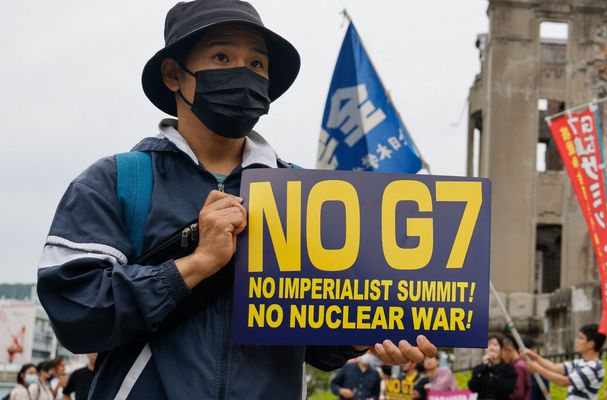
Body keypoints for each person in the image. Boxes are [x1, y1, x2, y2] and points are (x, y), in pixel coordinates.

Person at [33, 1, 432, 398]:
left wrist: (364, 337)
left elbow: (314, 338)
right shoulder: (116, 181)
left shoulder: (304, 193)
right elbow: (77, 312)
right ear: (174, 74)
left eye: (257, 64)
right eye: (222, 56)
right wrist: (195, 263)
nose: (243, 72)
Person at [523, 324, 606, 400]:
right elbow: (554, 367)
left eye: (581, 338)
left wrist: (538, 370)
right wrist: (536, 357)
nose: (576, 341)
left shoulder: (594, 367)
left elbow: (564, 382)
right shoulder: (579, 362)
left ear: (591, 344)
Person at [468, 334, 517, 399]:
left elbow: (507, 390)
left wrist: (494, 369)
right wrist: (482, 368)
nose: (491, 348)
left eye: (495, 345)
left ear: (501, 348)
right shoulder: (479, 368)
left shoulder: (509, 368)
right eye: (488, 345)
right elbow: (473, 388)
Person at [499, 336, 531, 400]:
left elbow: (518, 393)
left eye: (501, 353)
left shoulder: (518, 367)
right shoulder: (521, 363)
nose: (501, 357)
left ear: (509, 350)